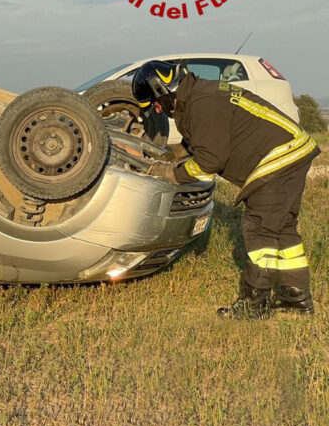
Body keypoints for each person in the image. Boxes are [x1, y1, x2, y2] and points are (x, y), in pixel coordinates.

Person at [134, 60, 320, 319]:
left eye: (156, 105)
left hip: (279, 156)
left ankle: (254, 305)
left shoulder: (202, 104)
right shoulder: (200, 95)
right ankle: (296, 297)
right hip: (293, 149)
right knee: (282, 228)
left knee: (260, 228)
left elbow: (210, 161)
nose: (159, 111)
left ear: (163, 91)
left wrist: (170, 173)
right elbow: (212, 135)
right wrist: (176, 152)